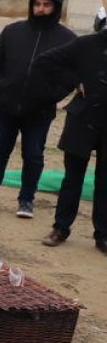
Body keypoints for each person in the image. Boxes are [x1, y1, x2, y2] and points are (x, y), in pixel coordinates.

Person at [0, 0, 76, 216]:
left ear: (56, 8)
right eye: (37, 4)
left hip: (39, 111)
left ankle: (26, 200)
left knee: (33, 155)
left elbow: (72, 74)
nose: (41, 9)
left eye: (47, 5)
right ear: (32, 5)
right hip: (4, 107)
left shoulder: (67, 39)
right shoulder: (12, 31)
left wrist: (52, 95)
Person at [31, 29, 107, 255]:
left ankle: (103, 235)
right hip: (83, 119)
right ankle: (60, 228)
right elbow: (45, 61)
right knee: (73, 178)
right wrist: (75, 80)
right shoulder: (86, 43)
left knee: (106, 181)